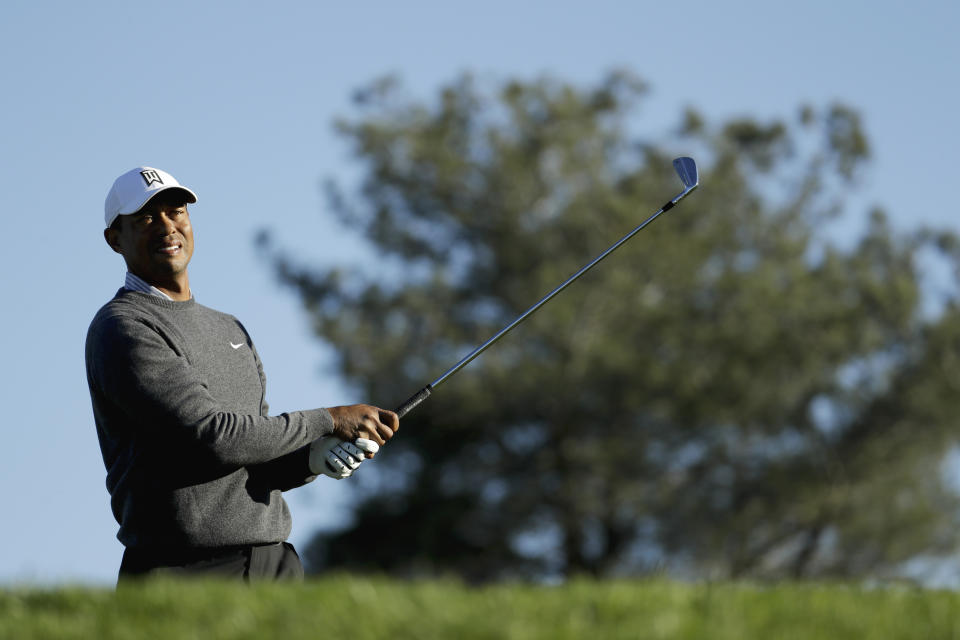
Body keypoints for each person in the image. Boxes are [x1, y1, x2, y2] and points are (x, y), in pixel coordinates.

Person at [85, 166, 399, 582]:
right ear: (114, 239)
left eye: (176, 211)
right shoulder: (123, 327)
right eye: (145, 218)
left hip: (274, 561)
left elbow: (254, 453)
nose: (167, 226)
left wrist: (312, 458)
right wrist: (329, 420)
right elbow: (214, 438)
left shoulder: (230, 328)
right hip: (181, 571)